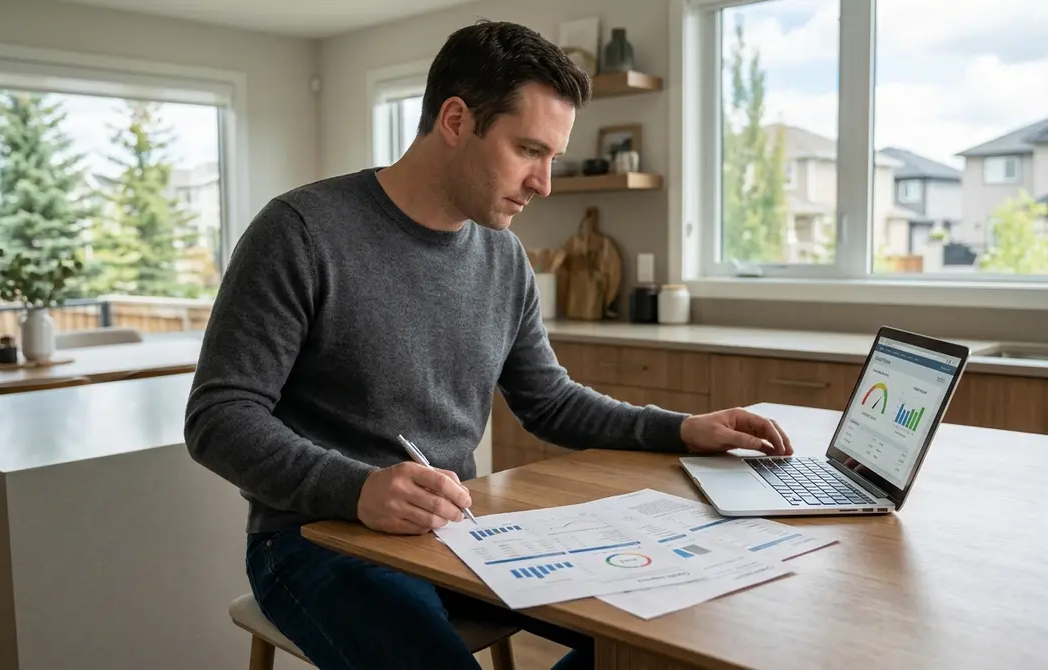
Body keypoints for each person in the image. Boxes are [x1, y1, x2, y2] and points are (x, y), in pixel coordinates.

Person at [184, 19, 793, 670]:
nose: (544, 183)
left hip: (456, 532)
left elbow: (549, 402)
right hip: (315, 539)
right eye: (530, 150)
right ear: (455, 119)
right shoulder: (301, 233)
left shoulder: (503, 257)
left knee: (681, 634)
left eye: (553, 158)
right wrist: (358, 487)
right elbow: (219, 417)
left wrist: (684, 429)